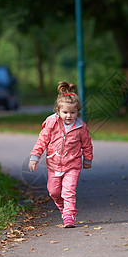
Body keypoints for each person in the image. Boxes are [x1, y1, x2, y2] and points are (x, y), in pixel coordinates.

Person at [28, 81, 93, 228]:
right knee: (54, 192)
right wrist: (35, 157)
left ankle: (69, 216)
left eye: (73, 112)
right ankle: (64, 209)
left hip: (73, 165)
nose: (69, 116)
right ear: (58, 110)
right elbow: (42, 141)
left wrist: (87, 159)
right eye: (65, 112)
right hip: (54, 164)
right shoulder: (51, 124)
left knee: (68, 191)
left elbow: (87, 144)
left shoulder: (81, 127)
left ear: (78, 111)